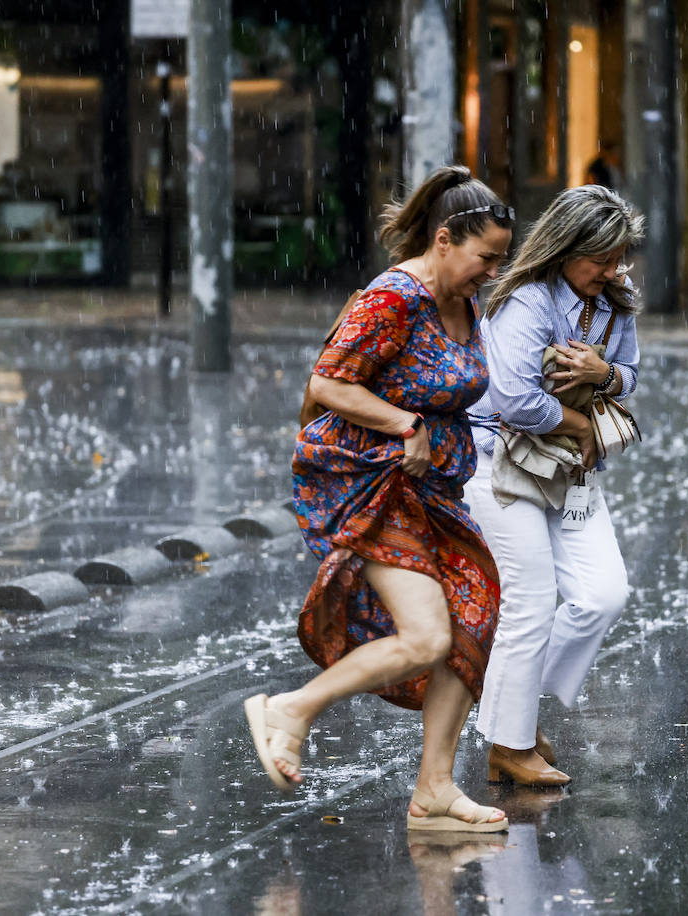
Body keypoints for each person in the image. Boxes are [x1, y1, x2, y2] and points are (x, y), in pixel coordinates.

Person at [245, 165, 514, 833]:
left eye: (500, 260)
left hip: (431, 489)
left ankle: (434, 790)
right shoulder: (394, 298)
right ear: (445, 239)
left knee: (474, 608)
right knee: (426, 636)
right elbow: (330, 382)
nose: (493, 271)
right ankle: (292, 710)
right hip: (372, 482)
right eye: (486, 257)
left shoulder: (466, 300)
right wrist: (406, 424)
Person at [464, 184, 644, 786]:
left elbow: (631, 375)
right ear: (568, 248)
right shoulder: (526, 302)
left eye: (620, 256)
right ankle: (509, 746)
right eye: (602, 257)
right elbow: (514, 400)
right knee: (532, 600)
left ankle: (507, 706)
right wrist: (580, 424)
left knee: (603, 594)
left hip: (569, 470)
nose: (612, 269)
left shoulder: (617, 302)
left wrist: (606, 373)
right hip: (502, 462)